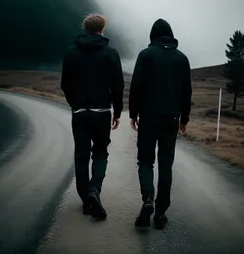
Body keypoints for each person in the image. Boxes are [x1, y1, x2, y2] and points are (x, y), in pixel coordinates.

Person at [129, 18, 192, 229]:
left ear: (152, 36)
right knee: (166, 164)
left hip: (148, 117)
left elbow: (136, 85)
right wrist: (184, 118)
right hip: (171, 119)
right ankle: (160, 213)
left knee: (145, 161)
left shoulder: (145, 55)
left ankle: (147, 199)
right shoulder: (182, 58)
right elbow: (186, 91)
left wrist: (133, 114)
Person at [61, 13, 124, 220]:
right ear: (102, 29)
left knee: (81, 155)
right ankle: (93, 191)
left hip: (79, 113)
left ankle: (85, 199)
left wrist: (75, 105)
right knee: (100, 154)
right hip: (101, 113)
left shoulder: (71, 53)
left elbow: (65, 84)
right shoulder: (111, 53)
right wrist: (117, 111)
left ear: (85, 29)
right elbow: (117, 85)